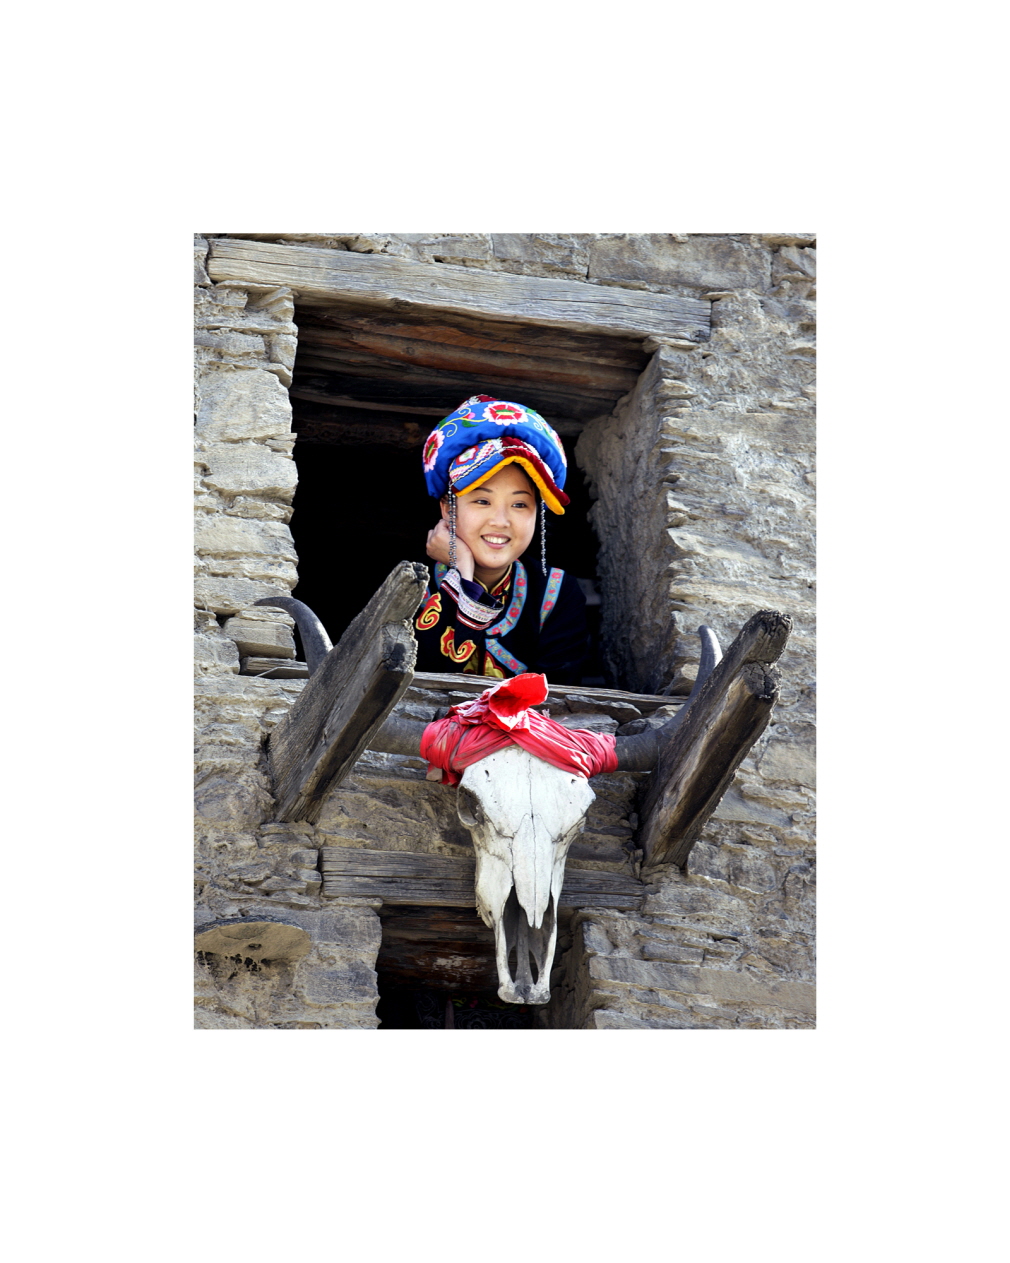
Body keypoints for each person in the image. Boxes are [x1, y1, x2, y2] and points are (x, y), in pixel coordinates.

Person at [413, 394, 589, 684]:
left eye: (519, 504)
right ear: (447, 508)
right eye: (482, 501)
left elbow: (559, 698)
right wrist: (462, 575)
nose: (501, 521)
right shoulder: (411, 587)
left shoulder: (557, 594)